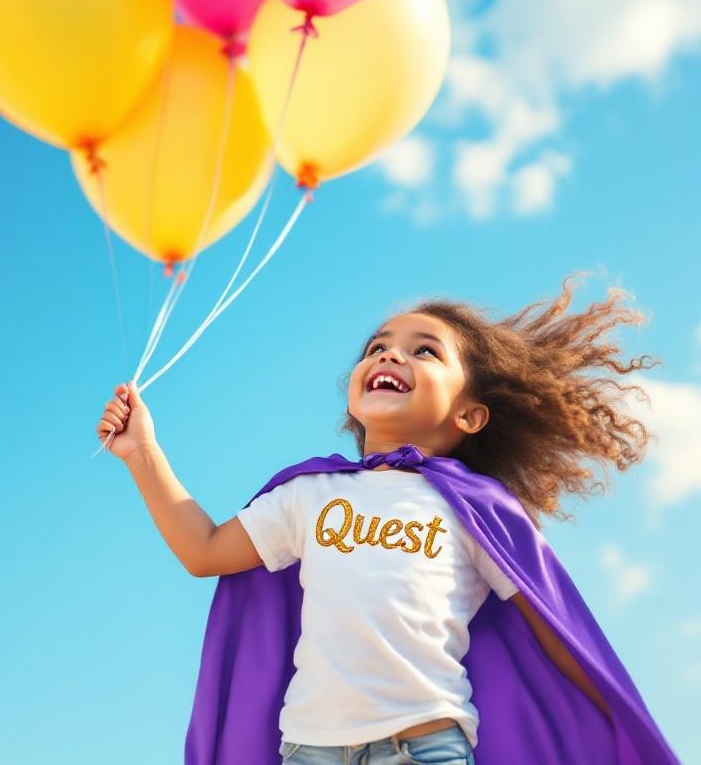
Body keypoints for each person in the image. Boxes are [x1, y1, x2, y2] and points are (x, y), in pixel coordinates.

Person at [96, 271, 680, 764]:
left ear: (471, 415)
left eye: (425, 350)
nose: (389, 353)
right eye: (377, 347)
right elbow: (204, 550)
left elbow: (556, 633)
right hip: (307, 750)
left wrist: (610, 727)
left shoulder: (479, 509)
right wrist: (143, 453)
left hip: (425, 747)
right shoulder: (310, 493)